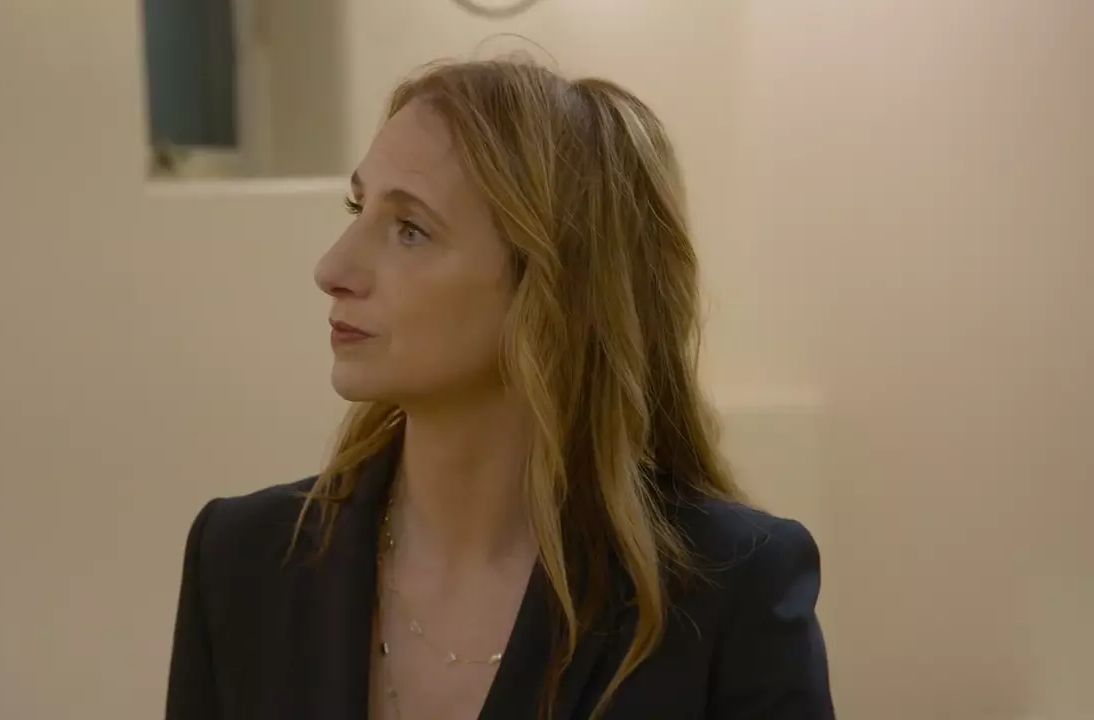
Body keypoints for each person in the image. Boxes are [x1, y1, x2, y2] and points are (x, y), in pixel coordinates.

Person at [165, 57, 833, 720]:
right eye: (357, 207)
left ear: (554, 290)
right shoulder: (243, 560)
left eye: (410, 230)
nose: (333, 267)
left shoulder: (726, 591)